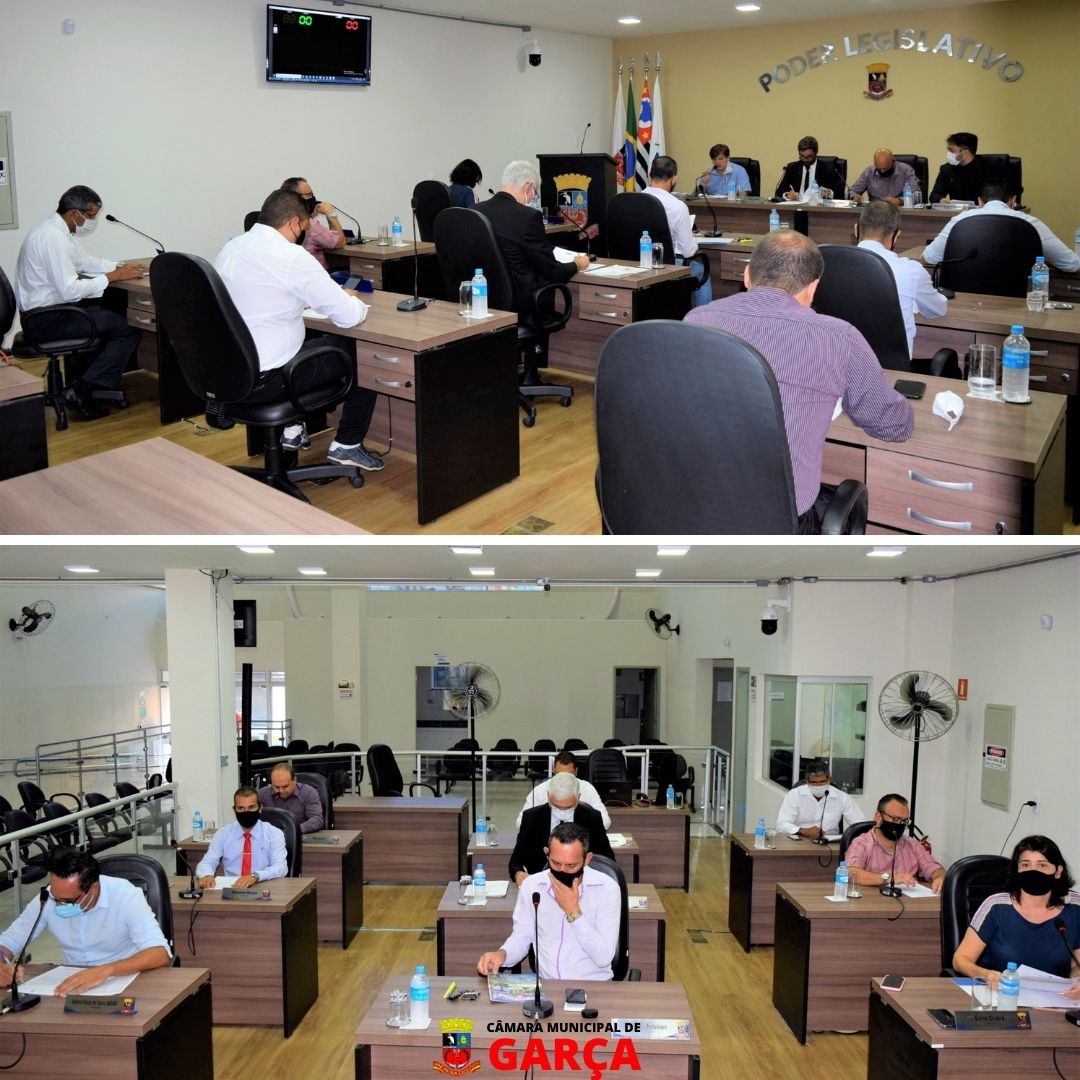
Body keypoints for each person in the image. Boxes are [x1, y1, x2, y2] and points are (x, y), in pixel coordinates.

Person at [683, 231, 913, 532]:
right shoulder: (838, 337)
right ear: (813, 288)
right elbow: (894, 425)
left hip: (696, 508)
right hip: (777, 525)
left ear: (748, 275)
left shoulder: (696, 320)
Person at [214, 188, 384, 468]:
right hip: (271, 378)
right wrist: (349, 299)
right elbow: (348, 317)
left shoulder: (232, 247)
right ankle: (347, 444)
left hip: (232, 374)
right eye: (304, 228)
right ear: (294, 223)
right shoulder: (290, 256)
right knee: (362, 353)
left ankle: (292, 429)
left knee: (309, 342)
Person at [14, 185, 144, 420]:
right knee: (129, 325)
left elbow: (84, 262)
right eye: (91, 216)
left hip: (49, 312)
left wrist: (119, 267)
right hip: (46, 319)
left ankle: (92, 383)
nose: (92, 221)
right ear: (75, 213)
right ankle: (84, 391)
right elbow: (69, 290)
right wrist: (111, 277)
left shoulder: (58, 231)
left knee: (111, 310)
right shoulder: (53, 239)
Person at [0, 847, 170, 996]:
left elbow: (159, 953)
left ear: (93, 889)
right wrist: (1, 964)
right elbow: (8, 941)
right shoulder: (48, 898)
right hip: (71, 983)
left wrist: (107, 970)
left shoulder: (125, 895)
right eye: (55, 897)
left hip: (123, 979)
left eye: (67, 901)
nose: (58, 904)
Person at [477, 822, 621, 981]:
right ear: (547, 854)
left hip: (593, 986)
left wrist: (573, 912)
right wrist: (502, 954)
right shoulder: (532, 886)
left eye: (571, 865)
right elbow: (521, 938)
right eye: (556, 863)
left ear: (587, 859)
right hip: (546, 986)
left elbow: (603, 957)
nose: (563, 871)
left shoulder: (607, 889)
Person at [953, 835, 1080, 989]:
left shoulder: (1075, 907)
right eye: (1025, 865)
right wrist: (985, 974)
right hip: (1001, 994)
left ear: (1058, 871)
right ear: (1017, 870)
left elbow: (1076, 966)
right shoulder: (996, 906)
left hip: (1056, 998)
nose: (1033, 871)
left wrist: (1078, 982)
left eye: (1042, 865)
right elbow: (960, 959)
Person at [475, 161, 590, 321]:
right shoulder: (528, 217)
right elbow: (552, 272)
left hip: (482, 301)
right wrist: (578, 264)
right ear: (528, 187)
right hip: (522, 306)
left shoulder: (475, 211)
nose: (532, 199)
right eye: (535, 194)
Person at [924, 178, 1080, 272]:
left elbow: (931, 257)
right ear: (1013, 200)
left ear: (980, 201)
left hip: (966, 300)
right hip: (1019, 302)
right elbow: (1072, 264)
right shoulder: (1030, 223)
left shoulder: (960, 220)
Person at [855, 200, 948, 358]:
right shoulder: (912, 271)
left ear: (856, 229)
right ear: (896, 235)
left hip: (841, 366)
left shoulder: (828, 265)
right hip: (891, 367)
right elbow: (937, 309)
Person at [508, 771, 614, 886]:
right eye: (556, 806)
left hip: (581, 884)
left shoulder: (592, 817)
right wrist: (518, 874)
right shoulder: (531, 818)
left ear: (578, 797)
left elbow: (607, 861)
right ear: (548, 796)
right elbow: (515, 862)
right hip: (541, 885)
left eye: (568, 807)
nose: (562, 811)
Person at [643, 155, 712, 307]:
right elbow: (688, 252)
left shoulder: (632, 200)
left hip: (636, 264)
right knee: (703, 271)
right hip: (666, 267)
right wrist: (693, 239)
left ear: (649, 176)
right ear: (674, 179)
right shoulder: (678, 206)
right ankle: (702, 319)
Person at [844, 793, 946, 893]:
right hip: (873, 901)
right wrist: (889, 878)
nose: (900, 825)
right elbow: (850, 873)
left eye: (904, 821)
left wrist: (940, 878)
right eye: (896, 819)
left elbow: (936, 869)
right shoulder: (862, 843)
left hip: (907, 901)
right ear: (878, 816)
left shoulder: (912, 844)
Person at [195, 785, 288, 889]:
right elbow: (208, 861)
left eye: (251, 807)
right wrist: (206, 874)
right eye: (241, 808)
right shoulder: (223, 834)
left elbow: (281, 867)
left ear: (260, 808)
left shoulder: (273, 833)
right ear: (234, 810)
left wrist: (255, 876)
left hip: (263, 887)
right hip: (232, 889)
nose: (246, 812)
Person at [517, 750, 611, 829]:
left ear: (576, 771)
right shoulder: (540, 790)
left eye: (569, 775)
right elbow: (520, 822)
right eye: (560, 775)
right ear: (553, 771)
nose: (564, 780)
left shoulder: (587, 788)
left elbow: (605, 821)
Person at [775, 758, 864, 839]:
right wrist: (802, 831)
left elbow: (860, 825)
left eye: (822, 782)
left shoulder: (842, 798)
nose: (818, 786)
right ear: (807, 781)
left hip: (830, 844)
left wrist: (849, 836)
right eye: (814, 782)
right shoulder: (795, 795)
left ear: (829, 779)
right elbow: (781, 824)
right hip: (800, 840)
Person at [280, 176, 347, 272]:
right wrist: (331, 214)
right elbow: (340, 242)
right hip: (317, 275)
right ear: (296, 198)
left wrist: (310, 215)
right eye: (309, 195)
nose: (313, 198)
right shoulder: (311, 225)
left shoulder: (279, 221)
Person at [258, 761, 324, 833]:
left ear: (294, 780)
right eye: (276, 787)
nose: (281, 790)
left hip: (299, 836)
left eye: (285, 786)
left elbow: (317, 820)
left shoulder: (308, 792)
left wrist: (292, 830)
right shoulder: (262, 794)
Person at [775, 136, 845, 200]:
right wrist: (787, 195)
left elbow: (840, 193)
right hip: (796, 206)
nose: (805, 160)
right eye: (802, 156)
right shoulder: (792, 168)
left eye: (809, 157)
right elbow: (779, 191)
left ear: (816, 153)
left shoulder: (828, 169)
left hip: (818, 207)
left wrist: (828, 193)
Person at [929, 132, 987, 204]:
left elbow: (995, 197)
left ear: (965, 152)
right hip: (956, 210)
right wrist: (941, 200)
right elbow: (934, 195)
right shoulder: (947, 169)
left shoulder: (986, 168)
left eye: (951, 151)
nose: (949, 154)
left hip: (981, 210)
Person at [848, 149, 918, 205]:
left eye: (885, 168)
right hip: (874, 210)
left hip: (897, 210)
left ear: (893, 162)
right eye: (879, 168)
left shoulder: (906, 171)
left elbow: (916, 196)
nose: (882, 171)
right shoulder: (870, 171)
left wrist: (900, 200)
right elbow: (851, 191)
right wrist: (854, 196)